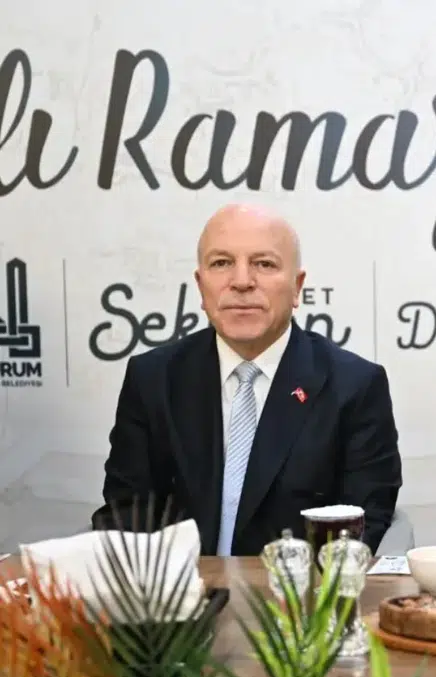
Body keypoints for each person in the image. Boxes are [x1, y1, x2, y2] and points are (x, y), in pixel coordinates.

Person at [92, 203, 403, 556]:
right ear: (201, 285)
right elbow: (127, 515)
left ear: (297, 286)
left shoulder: (355, 387)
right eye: (221, 263)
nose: (241, 281)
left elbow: (360, 528)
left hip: (299, 588)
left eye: (264, 264)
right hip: (179, 588)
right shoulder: (153, 380)